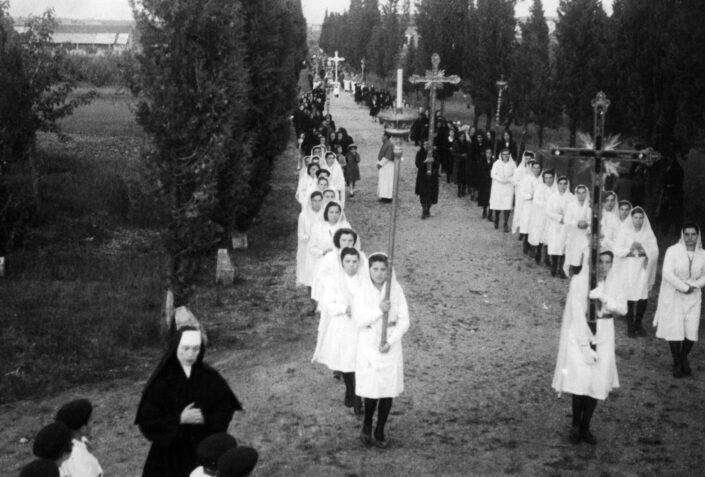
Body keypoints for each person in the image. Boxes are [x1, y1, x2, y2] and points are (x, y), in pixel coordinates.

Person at [135, 327, 242, 477]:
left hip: (202, 451)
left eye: (195, 349)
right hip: (169, 454)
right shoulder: (161, 381)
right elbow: (147, 422)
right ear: (176, 347)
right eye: (185, 348)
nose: (191, 354)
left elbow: (224, 411)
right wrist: (179, 419)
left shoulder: (211, 378)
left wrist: (206, 418)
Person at [552, 249, 626, 445]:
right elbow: (577, 314)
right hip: (580, 332)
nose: (603, 266)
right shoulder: (579, 281)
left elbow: (623, 308)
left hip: (605, 332)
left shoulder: (615, 281)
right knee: (581, 379)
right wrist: (585, 346)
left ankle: (586, 427)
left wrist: (604, 298)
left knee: (596, 381)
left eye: (607, 262)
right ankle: (575, 426)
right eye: (599, 262)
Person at [354, 253, 410, 449]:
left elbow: (404, 321)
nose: (379, 274)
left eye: (383, 269)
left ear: (389, 270)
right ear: (368, 269)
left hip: (390, 345)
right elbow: (359, 320)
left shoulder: (396, 290)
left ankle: (380, 428)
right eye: (375, 269)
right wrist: (379, 310)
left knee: (387, 390)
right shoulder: (362, 291)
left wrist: (391, 341)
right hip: (369, 343)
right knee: (372, 389)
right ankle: (367, 422)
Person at [313, 247, 366, 415]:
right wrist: (344, 308)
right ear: (342, 263)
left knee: (360, 361)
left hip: (360, 326)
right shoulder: (335, 282)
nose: (351, 265)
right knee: (347, 361)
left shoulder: (364, 281)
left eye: (354, 261)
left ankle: (358, 394)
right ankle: (352, 391)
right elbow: (328, 305)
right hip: (343, 326)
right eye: (347, 261)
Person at [653, 224, 705, 377]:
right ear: (682, 235)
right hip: (675, 294)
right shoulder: (673, 251)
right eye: (687, 234)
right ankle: (676, 361)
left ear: (698, 235)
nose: (690, 238)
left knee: (691, 330)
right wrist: (683, 287)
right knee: (675, 330)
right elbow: (667, 273)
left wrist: (694, 285)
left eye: (693, 234)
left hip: (694, 296)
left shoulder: (703, 254)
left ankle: (684, 357)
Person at [613, 206, 659, 337]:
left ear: (644, 220)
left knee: (643, 296)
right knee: (630, 296)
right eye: (635, 218)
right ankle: (630, 325)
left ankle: (638, 323)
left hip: (643, 268)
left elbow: (655, 252)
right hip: (629, 267)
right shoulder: (624, 232)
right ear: (631, 218)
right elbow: (617, 249)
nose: (638, 221)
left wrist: (644, 249)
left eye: (640, 218)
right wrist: (629, 249)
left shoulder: (648, 233)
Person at [55, 399, 103, 477]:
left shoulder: (75, 440)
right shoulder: (77, 458)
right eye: (91, 420)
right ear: (83, 429)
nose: (93, 422)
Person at [545, 176, 573, 278]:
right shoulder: (552, 197)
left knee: (564, 246)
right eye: (560, 184)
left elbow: (573, 212)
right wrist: (558, 218)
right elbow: (548, 211)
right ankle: (554, 265)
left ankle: (562, 268)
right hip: (555, 225)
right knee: (555, 246)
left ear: (567, 185)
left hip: (566, 225)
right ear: (557, 185)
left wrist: (565, 217)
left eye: (565, 184)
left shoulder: (571, 197)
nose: (563, 186)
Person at [528, 168, 556, 265]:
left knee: (550, 235)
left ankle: (547, 257)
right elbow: (536, 201)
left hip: (552, 216)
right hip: (541, 214)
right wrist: (547, 204)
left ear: (554, 178)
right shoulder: (540, 188)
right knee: (540, 233)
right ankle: (538, 252)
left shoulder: (556, 189)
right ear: (543, 178)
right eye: (546, 178)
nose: (548, 180)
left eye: (550, 178)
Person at [296, 191, 323, 290]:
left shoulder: (324, 215)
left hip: (320, 247)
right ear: (310, 201)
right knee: (309, 275)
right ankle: (312, 299)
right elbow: (300, 234)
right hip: (307, 247)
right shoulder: (303, 215)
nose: (317, 203)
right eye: (314, 201)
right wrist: (309, 237)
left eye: (319, 200)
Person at [563, 185, 591, 276]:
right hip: (574, 234)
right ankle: (575, 273)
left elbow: (592, 220)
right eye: (579, 193)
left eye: (583, 193)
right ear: (576, 194)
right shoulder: (571, 206)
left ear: (586, 194)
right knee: (575, 255)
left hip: (586, 234)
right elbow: (566, 220)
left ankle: (583, 274)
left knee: (585, 254)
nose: (581, 195)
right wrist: (577, 223)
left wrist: (587, 224)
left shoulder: (589, 206)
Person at [489, 148, 517, 232]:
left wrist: (508, 179)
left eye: (507, 154)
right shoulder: (496, 163)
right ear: (501, 155)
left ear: (509, 155)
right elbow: (493, 174)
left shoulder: (513, 164)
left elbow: (515, 175)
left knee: (507, 205)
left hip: (508, 187)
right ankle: (497, 218)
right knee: (498, 204)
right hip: (498, 187)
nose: (506, 156)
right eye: (504, 154)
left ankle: (505, 223)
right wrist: (501, 180)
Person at [517, 160, 541, 254]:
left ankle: (533, 246)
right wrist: (531, 196)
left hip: (538, 206)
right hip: (529, 204)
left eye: (538, 168)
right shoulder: (527, 179)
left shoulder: (541, 180)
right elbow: (522, 193)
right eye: (534, 168)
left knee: (535, 225)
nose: (536, 170)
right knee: (527, 224)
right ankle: (526, 243)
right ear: (531, 168)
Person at [415, 140, 440, 219]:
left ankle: (428, 209)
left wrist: (434, 161)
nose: (426, 145)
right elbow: (417, 164)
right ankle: (423, 210)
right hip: (422, 176)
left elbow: (438, 164)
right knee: (423, 194)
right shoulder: (420, 153)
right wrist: (425, 162)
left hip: (432, 177)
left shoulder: (434, 153)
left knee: (431, 194)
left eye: (427, 144)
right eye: (424, 144)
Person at [377, 132, 395, 203]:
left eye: (383, 136)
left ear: (386, 137)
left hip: (388, 166)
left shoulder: (389, 145)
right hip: (385, 166)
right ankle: (383, 196)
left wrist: (381, 164)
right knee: (383, 181)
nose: (382, 137)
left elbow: (388, 156)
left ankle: (388, 197)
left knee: (388, 182)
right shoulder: (386, 144)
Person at [477, 147, 494, 219]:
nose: (488, 154)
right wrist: (487, 172)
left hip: (491, 181)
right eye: (487, 152)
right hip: (484, 181)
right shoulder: (482, 161)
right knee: (484, 196)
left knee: (491, 196)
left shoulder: (494, 161)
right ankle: (484, 210)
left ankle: (490, 212)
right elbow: (480, 170)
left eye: (490, 153)